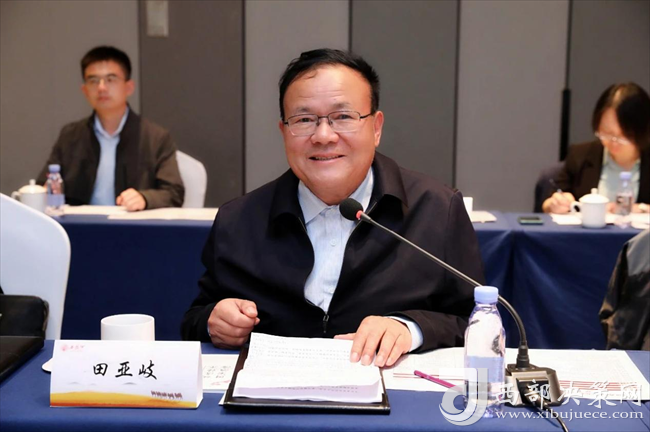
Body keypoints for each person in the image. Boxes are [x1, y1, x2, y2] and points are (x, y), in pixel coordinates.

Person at [181, 49, 484, 367]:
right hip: (273, 393)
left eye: (343, 117)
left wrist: (410, 329)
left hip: (388, 393)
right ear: (284, 132)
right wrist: (215, 322)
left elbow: (477, 321)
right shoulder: (239, 220)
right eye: (304, 120)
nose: (323, 136)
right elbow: (195, 318)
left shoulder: (436, 210)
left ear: (376, 128)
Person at [37, 46, 184, 211]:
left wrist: (145, 198)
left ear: (129, 87)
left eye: (110, 79)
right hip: (80, 224)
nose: (101, 88)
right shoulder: (70, 136)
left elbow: (174, 192)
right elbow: (44, 185)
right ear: (85, 90)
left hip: (132, 223)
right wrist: (40, 193)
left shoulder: (155, 137)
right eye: (93, 81)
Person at [543, 83, 650, 214]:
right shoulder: (580, 155)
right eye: (606, 133)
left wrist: (641, 209)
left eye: (624, 136)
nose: (614, 142)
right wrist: (555, 204)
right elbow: (549, 201)